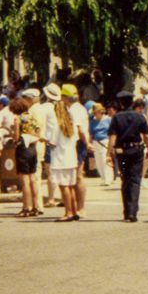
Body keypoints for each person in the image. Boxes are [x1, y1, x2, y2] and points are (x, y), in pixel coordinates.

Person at [108, 91, 148, 222]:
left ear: (121, 103)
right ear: (132, 103)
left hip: (122, 152)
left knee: (125, 179)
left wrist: (110, 152)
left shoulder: (116, 118)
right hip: (136, 150)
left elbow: (112, 137)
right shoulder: (140, 117)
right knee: (135, 180)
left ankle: (127, 211)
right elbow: (146, 135)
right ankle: (133, 211)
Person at [43, 84, 81, 221]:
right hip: (71, 158)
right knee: (70, 186)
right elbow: (76, 139)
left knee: (63, 186)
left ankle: (68, 212)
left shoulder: (57, 126)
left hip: (60, 159)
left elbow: (52, 142)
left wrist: (44, 139)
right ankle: (74, 211)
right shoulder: (71, 124)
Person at [61, 84, 91, 217]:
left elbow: (80, 130)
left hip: (77, 143)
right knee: (74, 176)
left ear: (66, 97)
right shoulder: (77, 108)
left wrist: (87, 144)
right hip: (76, 143)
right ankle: (76, 208)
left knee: (78, 176)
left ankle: (81, 208)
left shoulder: (75, 110)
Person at [9, 97, 41, 217]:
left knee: (24, 181)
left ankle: (26, 207)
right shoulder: (32, 117)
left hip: (23, 149)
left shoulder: (18, 119)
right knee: (33, 178)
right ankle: (35, 206)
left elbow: (16, 136)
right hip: (33, 148)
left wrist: (13, 133)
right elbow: (38, 131)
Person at [89, 102, 114, 186]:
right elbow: (91, 133)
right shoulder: (92, 122)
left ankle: (108, 178)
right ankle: (103, 178)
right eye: (94, 113)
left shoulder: (108, 119)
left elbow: (112, 132)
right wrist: (90, 143)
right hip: (96, 142)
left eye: (96, 112)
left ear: (101, 112)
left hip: (105, 141)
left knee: (105, 159)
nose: (95, 114)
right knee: (98, 162)